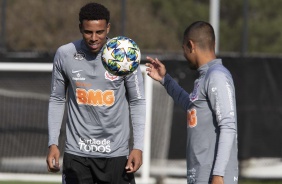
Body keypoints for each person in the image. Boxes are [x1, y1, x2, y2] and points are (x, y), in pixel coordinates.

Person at [46, 2, 146, 184]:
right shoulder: (65, 54)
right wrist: (52, 143)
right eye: (88, 32)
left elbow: (137, 101)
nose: (93, 38)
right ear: (80, 28)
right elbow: (57, 98)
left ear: (108, 28)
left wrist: (138, 147)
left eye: (99, 32)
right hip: (77, 153)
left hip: (116, 154)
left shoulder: (124, 55)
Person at [146, 21, 238, 184]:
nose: (184, 54)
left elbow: (228, 125)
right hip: (201, 175)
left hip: (214, 178)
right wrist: (165, 80)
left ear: (190, 45)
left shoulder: (217, 76)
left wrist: (218, 175)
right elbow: (191, 106)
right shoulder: (205, 77)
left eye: (184, 49)